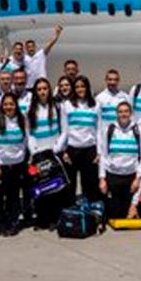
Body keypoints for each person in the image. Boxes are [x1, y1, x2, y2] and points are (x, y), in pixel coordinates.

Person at [26, 77, 67, 226]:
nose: (42, 92)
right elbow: (29, 133)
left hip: (54, 153)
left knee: (55, 186)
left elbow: (64, 130)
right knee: (40, 186)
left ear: (49, 90)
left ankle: (55, 219)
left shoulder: (58, 107)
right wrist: (34, 151)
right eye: (39, 89)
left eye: (45, 88)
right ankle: (42, 219)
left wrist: (57, 148)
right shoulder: (30, 110)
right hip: (38, 155)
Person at [98, 101, 141, 220]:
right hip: (113, 176)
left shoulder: (138, 130)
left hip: (130, 177)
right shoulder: (109, 129)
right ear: (116, 114)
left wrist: (138, 179)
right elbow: (103, 155)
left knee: (128, 216)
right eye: (120, 112)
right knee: (115, 216)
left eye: (126, 111)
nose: (123, 114)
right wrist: (102, 179)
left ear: (130, 113)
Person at [0, 94, 28, 236]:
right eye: (5, 104)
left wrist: (23, 156)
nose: (8, 107)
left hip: (17, 164)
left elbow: (26, 139)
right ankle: (0, 223)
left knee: (14, 196)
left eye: (11, 104)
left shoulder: (22, 119)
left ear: (16, 105)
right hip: (0, 166)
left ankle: (13, 221)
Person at [61, 76, 101, 204]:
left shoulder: (96, 105)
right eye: (77, 87)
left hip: (90, 149)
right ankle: (71, 209)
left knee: (90, 182)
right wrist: (64, 151)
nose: (80, 89)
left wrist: (99, 152)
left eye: (82, 86)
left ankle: (89, 210)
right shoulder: (67, 105)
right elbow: (64, 130)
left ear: (87, 88)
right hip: (72, 149)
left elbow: (99, 130)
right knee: (70, 182)